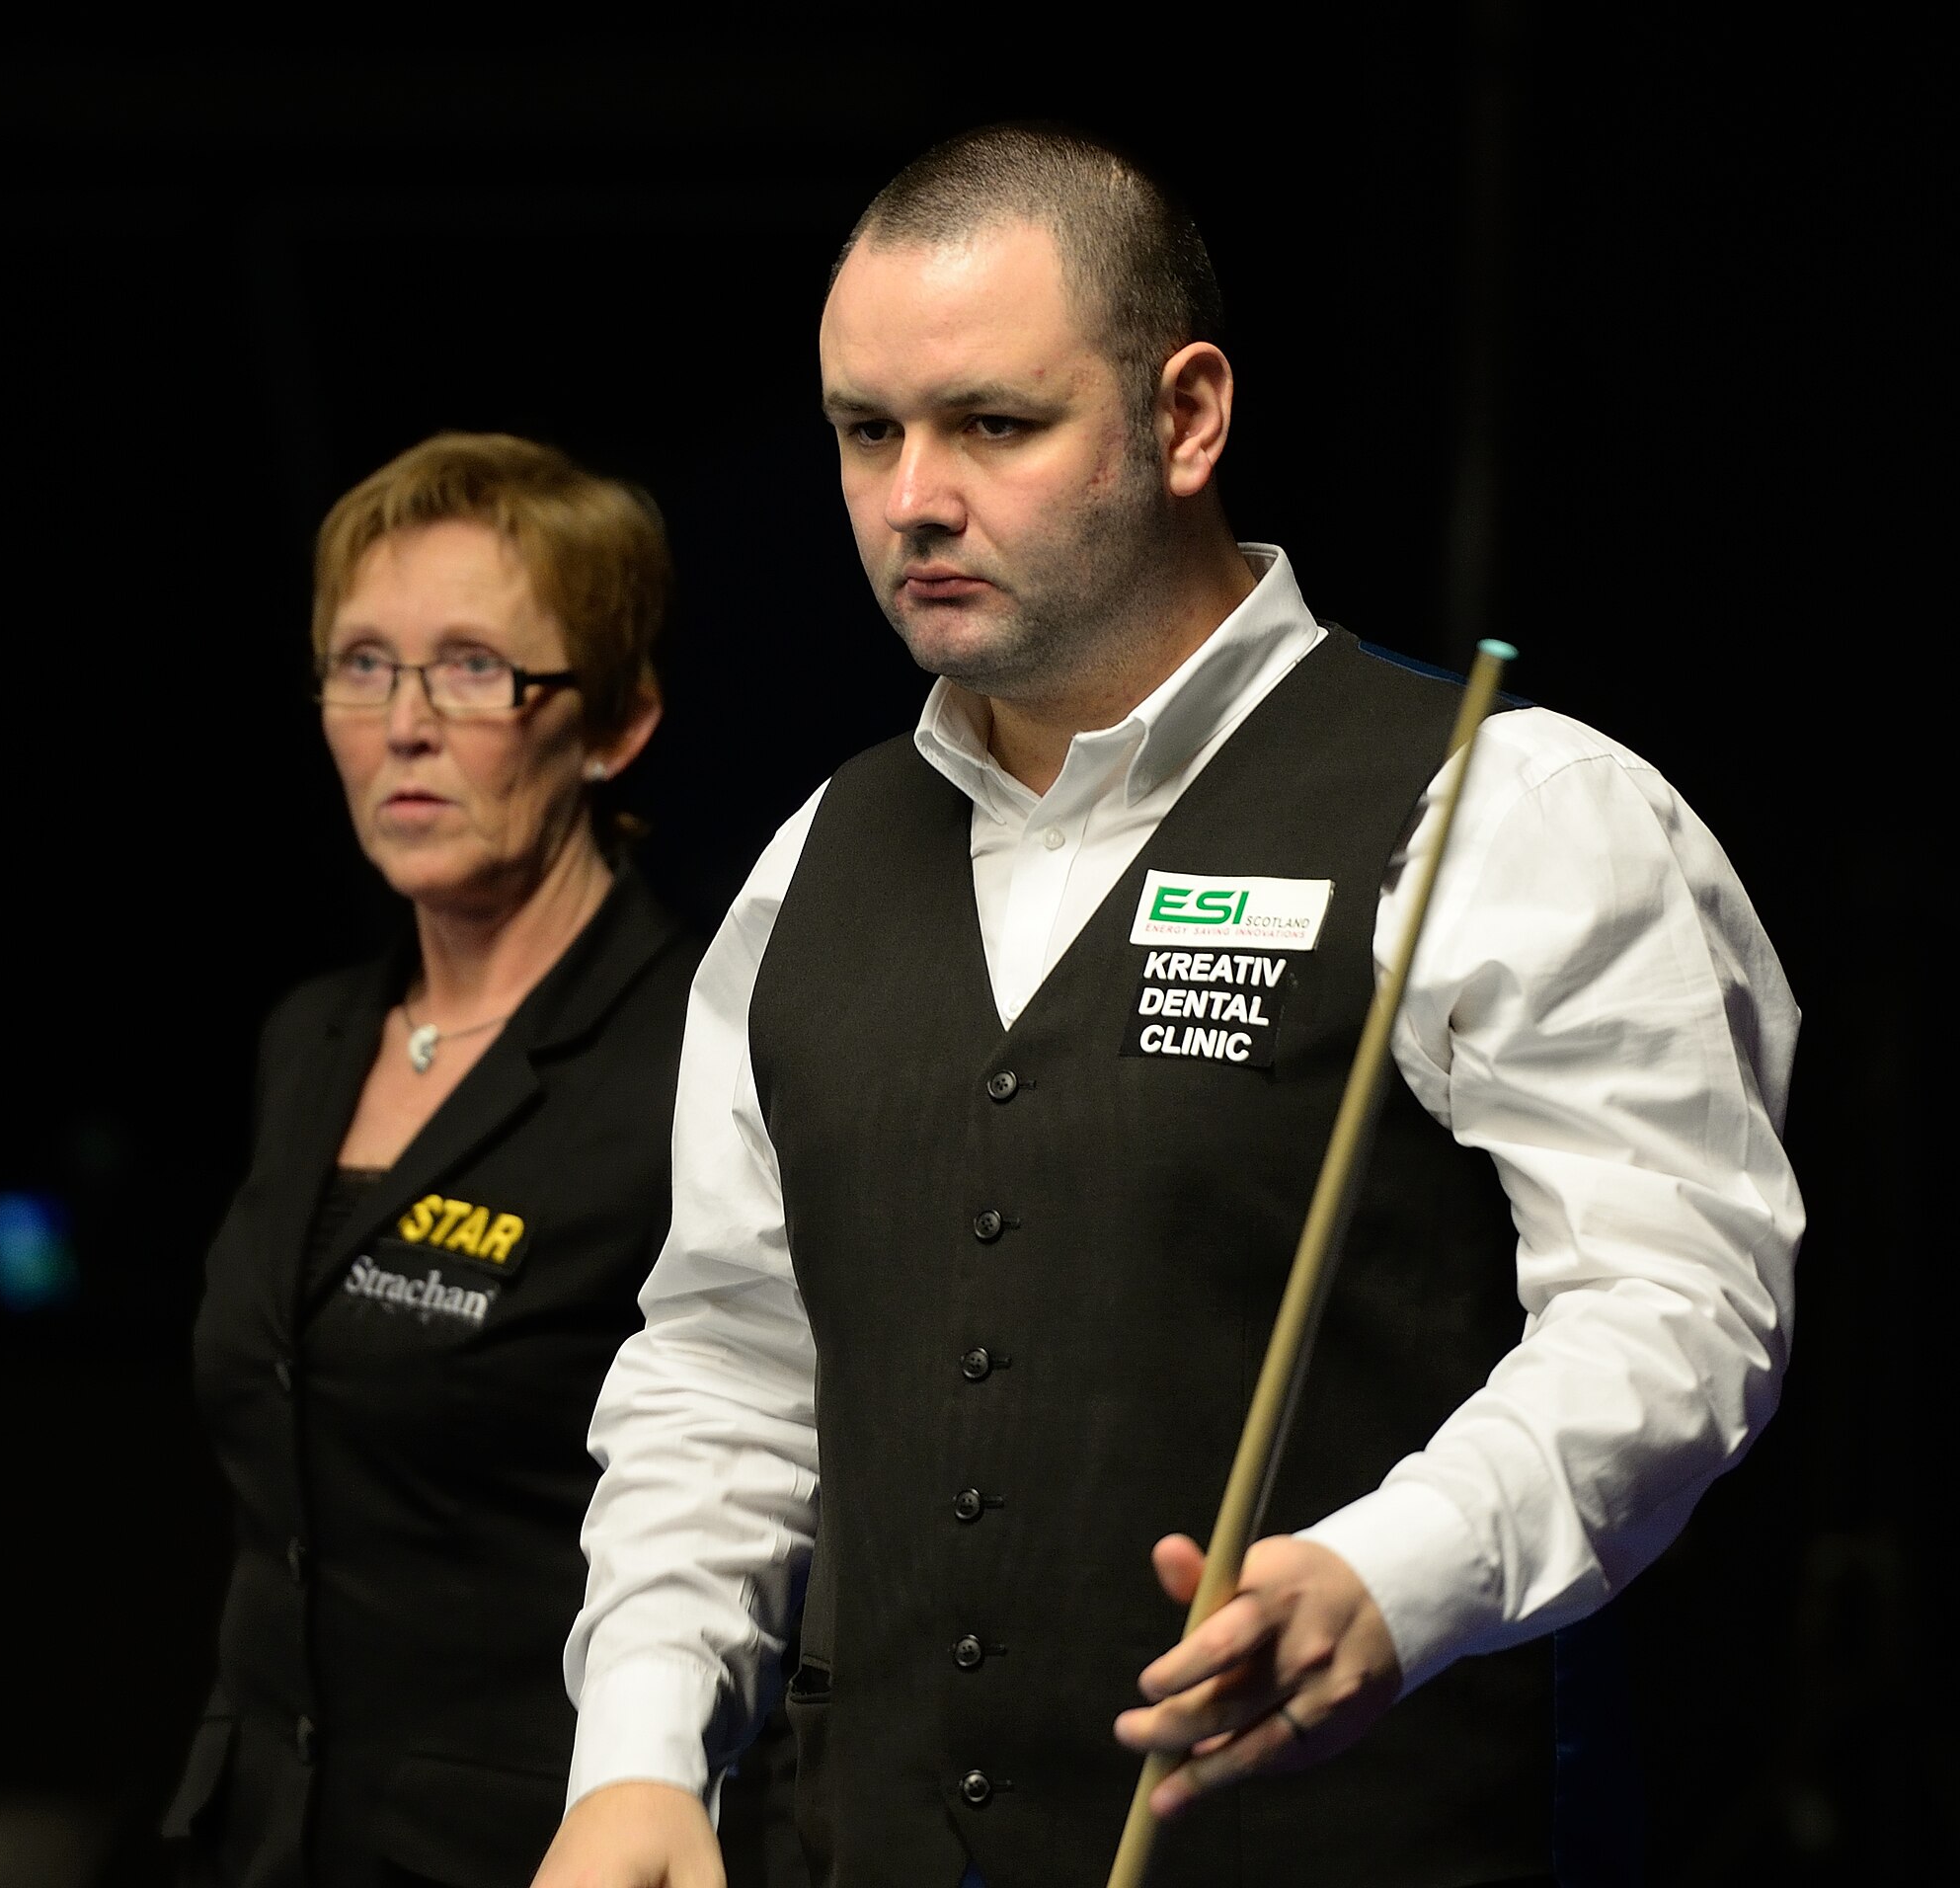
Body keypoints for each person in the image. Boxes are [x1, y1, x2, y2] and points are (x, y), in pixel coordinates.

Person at [533, 126, 1804, 1888]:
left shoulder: (1501, 808)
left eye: (993, 424)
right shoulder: (811, 861)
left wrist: (1397, 1569)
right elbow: (730, 1369)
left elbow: (1678, 1305)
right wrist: (638, 1756)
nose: (912, 498)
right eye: (866, 431)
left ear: (1186, 418)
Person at [162, 433, 794, 1888]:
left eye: (469, 669)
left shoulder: (702, 1053)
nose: (404, 725)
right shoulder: (312, 1037)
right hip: (269, 1839)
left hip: (547, 1847)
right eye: (362, 665)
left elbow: (755, 1473)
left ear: (615, 721)